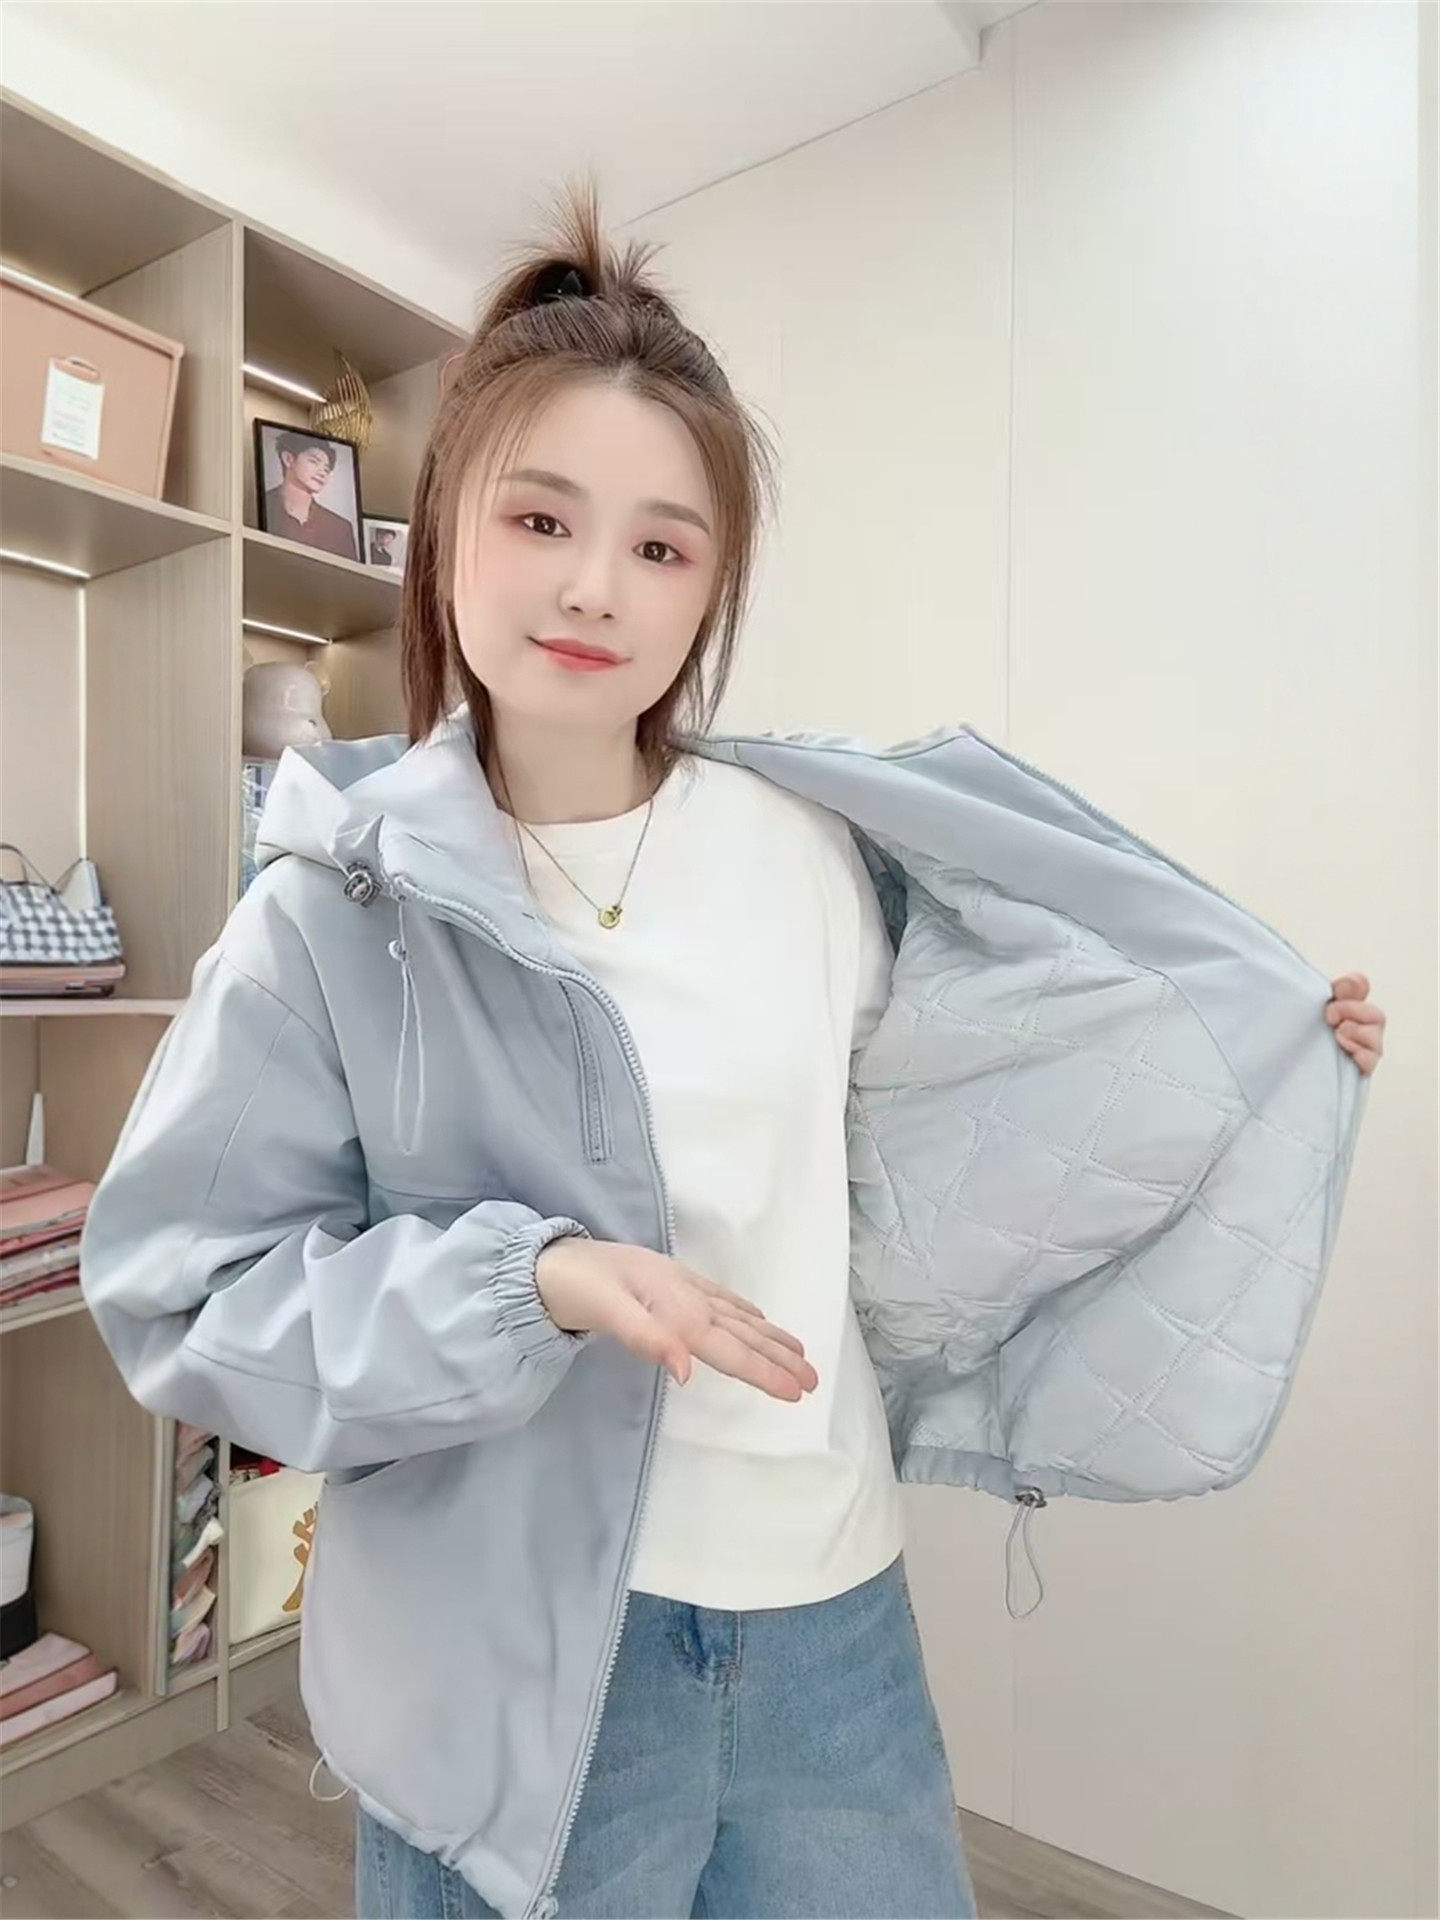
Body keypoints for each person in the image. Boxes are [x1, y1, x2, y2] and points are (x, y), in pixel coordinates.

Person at [78, 175, 1384, 1920]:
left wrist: (1251, 1037)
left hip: (835, 1631)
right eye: (541, 518)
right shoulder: (332, 912)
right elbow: (181, 1293)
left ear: (713, 587)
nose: (593, 585)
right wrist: (531, 1283)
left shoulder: (819, 849)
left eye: (661, 546)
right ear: (448, 522)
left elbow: (940, 1129)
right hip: (521, 1664)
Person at [264, 430, 360, 560]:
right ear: (288, 459)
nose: (322, 473)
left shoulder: (340, 527)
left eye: (326, 469)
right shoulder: (260, 506)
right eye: (314, 462)